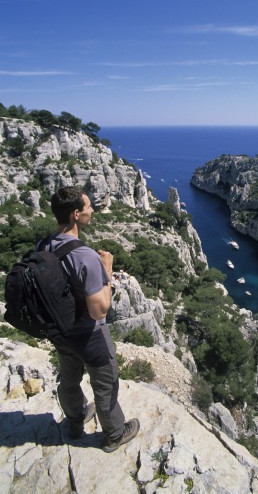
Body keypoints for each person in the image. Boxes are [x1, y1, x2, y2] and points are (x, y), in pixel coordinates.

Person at [42, 186, 139, 452]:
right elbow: (100, 310)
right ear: (76, 214)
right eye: (88, 207)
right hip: (90, 335)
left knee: (69, 379)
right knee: (106, 384)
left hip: (61, 332)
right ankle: (115, 435)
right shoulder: (85, 257)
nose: (93, 210)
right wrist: (106, 270)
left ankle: (75, 422)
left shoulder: (45, 244)